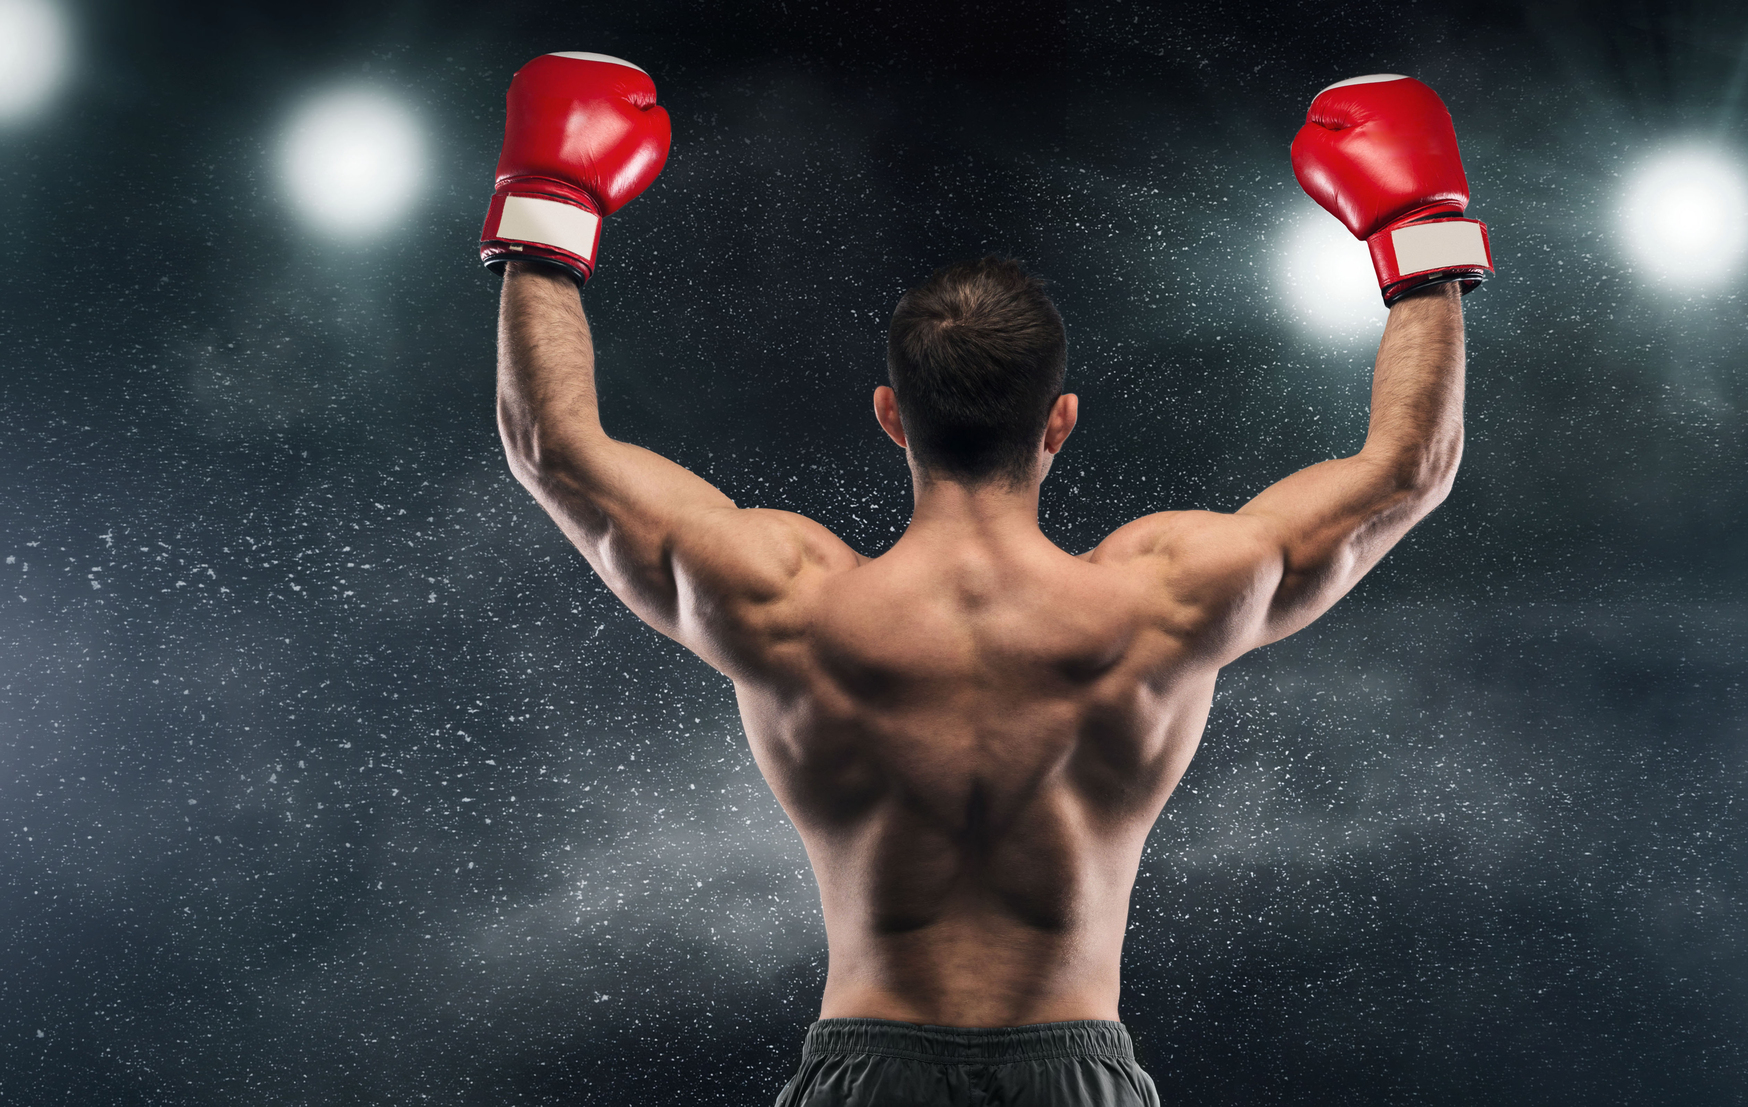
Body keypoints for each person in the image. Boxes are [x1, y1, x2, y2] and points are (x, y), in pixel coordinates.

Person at [480, 53, 1492, 1107]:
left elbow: (551, 444)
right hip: (1073, 1070)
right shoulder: (1163, 599)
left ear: (889, 414)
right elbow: (1406, 467)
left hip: (868, 1071)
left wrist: (549, 210)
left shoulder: (788, 600)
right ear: (1058, 421)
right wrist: (1419, 242)